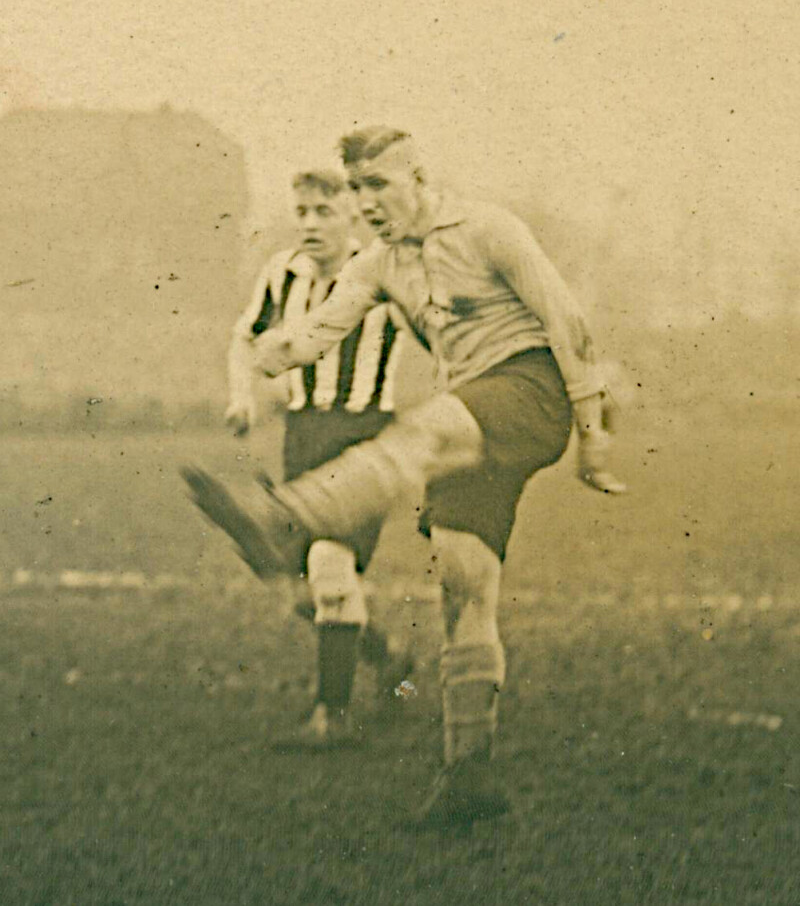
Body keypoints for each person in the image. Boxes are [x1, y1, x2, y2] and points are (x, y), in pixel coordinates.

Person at [184, 127, 625, 824]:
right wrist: (268, 354)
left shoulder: (487, 229)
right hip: (471, 416)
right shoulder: (379, 264)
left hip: (527, 390)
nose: (366, 202)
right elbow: (320, 329)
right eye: (356, 188)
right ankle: (467, 777)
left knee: (423, 427)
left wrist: (593, 433)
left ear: (419, 178)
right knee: (462, 583)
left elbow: (564, 318)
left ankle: (282, 519)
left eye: (377, 185)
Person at [225, 167, 411, 748]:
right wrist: (242, 397)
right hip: (301, 438)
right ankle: (388, 655)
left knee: (330, 568)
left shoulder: (388, 271)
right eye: (301, 211)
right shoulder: (283, 273)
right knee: (311, 591)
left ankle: (330, 717)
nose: (309, 223)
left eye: (323, 211)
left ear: (353, 215)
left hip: (364, 438)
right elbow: (245, 336)